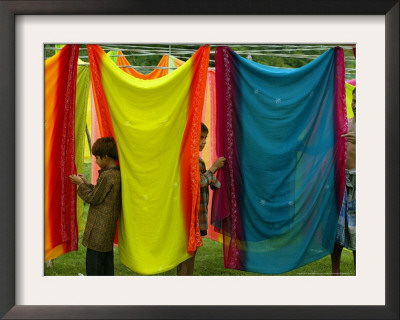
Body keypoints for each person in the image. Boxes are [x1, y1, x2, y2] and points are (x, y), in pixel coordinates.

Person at [177, 123, 226, 275]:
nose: (204, 142)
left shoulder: (195, 159)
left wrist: (217, 183)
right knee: (186, 254)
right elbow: (198, 182)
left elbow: (205, 180)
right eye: (200, 138)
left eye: (205, 138)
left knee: (192, 252)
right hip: (192, 217)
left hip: (197, 217)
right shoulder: (193, 160)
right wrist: (214, 168)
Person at [69, 137, 121, 276]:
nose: (96, 161)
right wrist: (86, 182)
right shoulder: (116, 174)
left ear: (105, 157)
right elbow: (100, 193)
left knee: (95, 268)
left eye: (97, 158)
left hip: (98, 230)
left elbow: (93, 198)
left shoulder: (107, 176)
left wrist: (80, 184)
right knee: (106, 266)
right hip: (106, 230)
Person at [331, 87, 356, 275]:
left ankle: (360, 275)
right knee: (336, 232)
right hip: (342, 181)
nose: (356, 105)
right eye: (354, 100)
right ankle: (335, 273)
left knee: (359, 232)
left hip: (360, 182)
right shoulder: (346, 124)